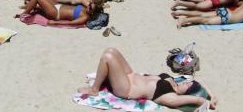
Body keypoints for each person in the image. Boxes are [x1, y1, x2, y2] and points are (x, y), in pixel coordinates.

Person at [78, 48, 217, 109]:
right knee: (111, 51)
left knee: (107, 58)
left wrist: (206, 102)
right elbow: (199, 80)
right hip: (130, 75)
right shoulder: (174, 81)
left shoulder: (170, 96)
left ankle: (94, 89)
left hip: (127, 88)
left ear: (187, 93)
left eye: (188, 85)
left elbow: (197, 99)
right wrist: (212, 95)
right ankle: (99, 83)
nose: (187, 81)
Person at [174, 0, 243, 28]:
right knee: (205, 20)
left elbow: (241, 8)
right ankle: (183, 21)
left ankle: (181, 12)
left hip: (226, 11)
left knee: (203, 14)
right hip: (229, 17)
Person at [18, 0, 95, 26]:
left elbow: (71, 23)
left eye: (90, 7)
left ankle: (24, 14)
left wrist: (54, 22)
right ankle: (29, 6)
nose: (88, 6)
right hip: (58, 5)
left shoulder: (85, 17)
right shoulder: (87, 8)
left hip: (56, 13)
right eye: (89, 5)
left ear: (93, 11)